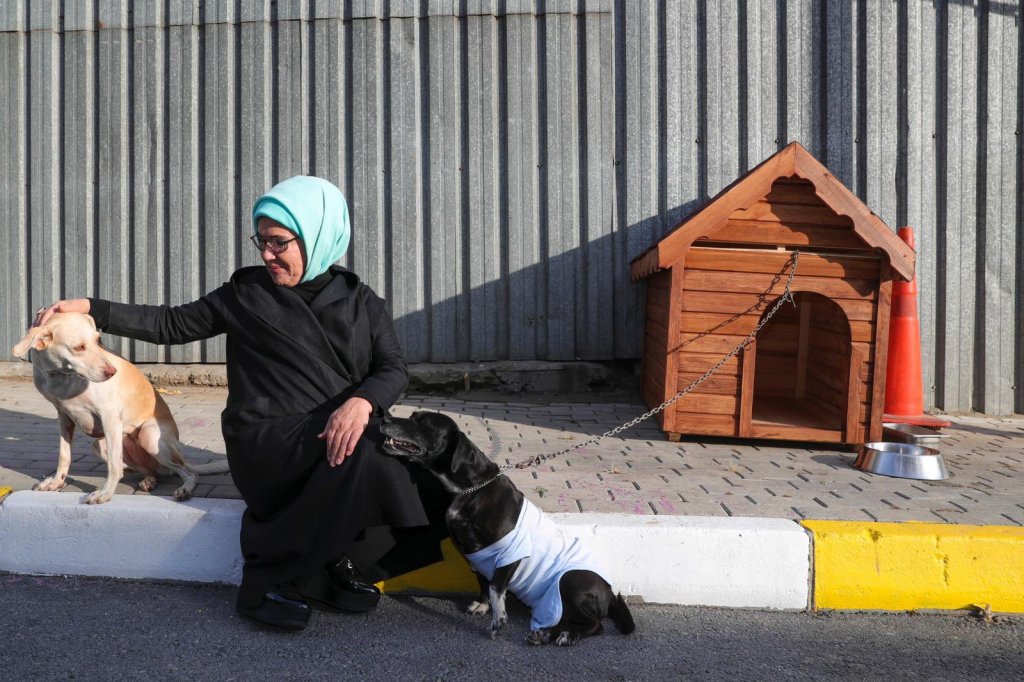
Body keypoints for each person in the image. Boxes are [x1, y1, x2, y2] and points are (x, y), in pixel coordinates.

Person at [34, 176, 451, 631]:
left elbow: (392, 369)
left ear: (318, 234)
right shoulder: (244, 294)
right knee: (364, 448)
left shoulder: (361, 300)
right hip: (265, 438)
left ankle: (326, 567)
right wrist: (94, 305)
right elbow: (170, 325)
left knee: (416, 455)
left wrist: (363, 403)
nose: (267, 255)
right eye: (262, 241)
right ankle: (267, 580)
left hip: (335, 429)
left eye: (279, 243)